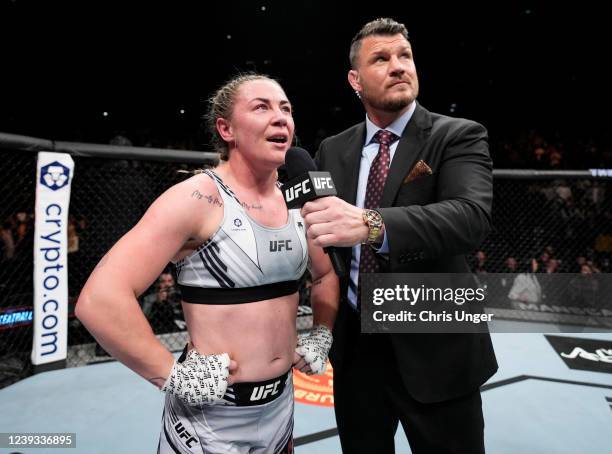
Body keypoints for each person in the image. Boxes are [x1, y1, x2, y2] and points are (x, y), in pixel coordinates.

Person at [76, 73, 338, 454]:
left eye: (286, 109)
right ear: (225, 128)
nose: (281, 118)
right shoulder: (197, 198)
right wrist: (172, 375)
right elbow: (100, 299)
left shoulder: (298, 199)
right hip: (208, 421)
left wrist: (322, 332)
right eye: (262, 107)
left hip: (281, 407)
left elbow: (326, 273)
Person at [301, 18, 498, 454]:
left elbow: (470, 218)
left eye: (404, 56)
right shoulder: (333, 149)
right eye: (381, 58)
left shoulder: (457, 135)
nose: (398, 66)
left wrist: (373, 224)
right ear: (355, 80)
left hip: (436, 345)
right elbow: (321, 237)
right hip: (356, 350)